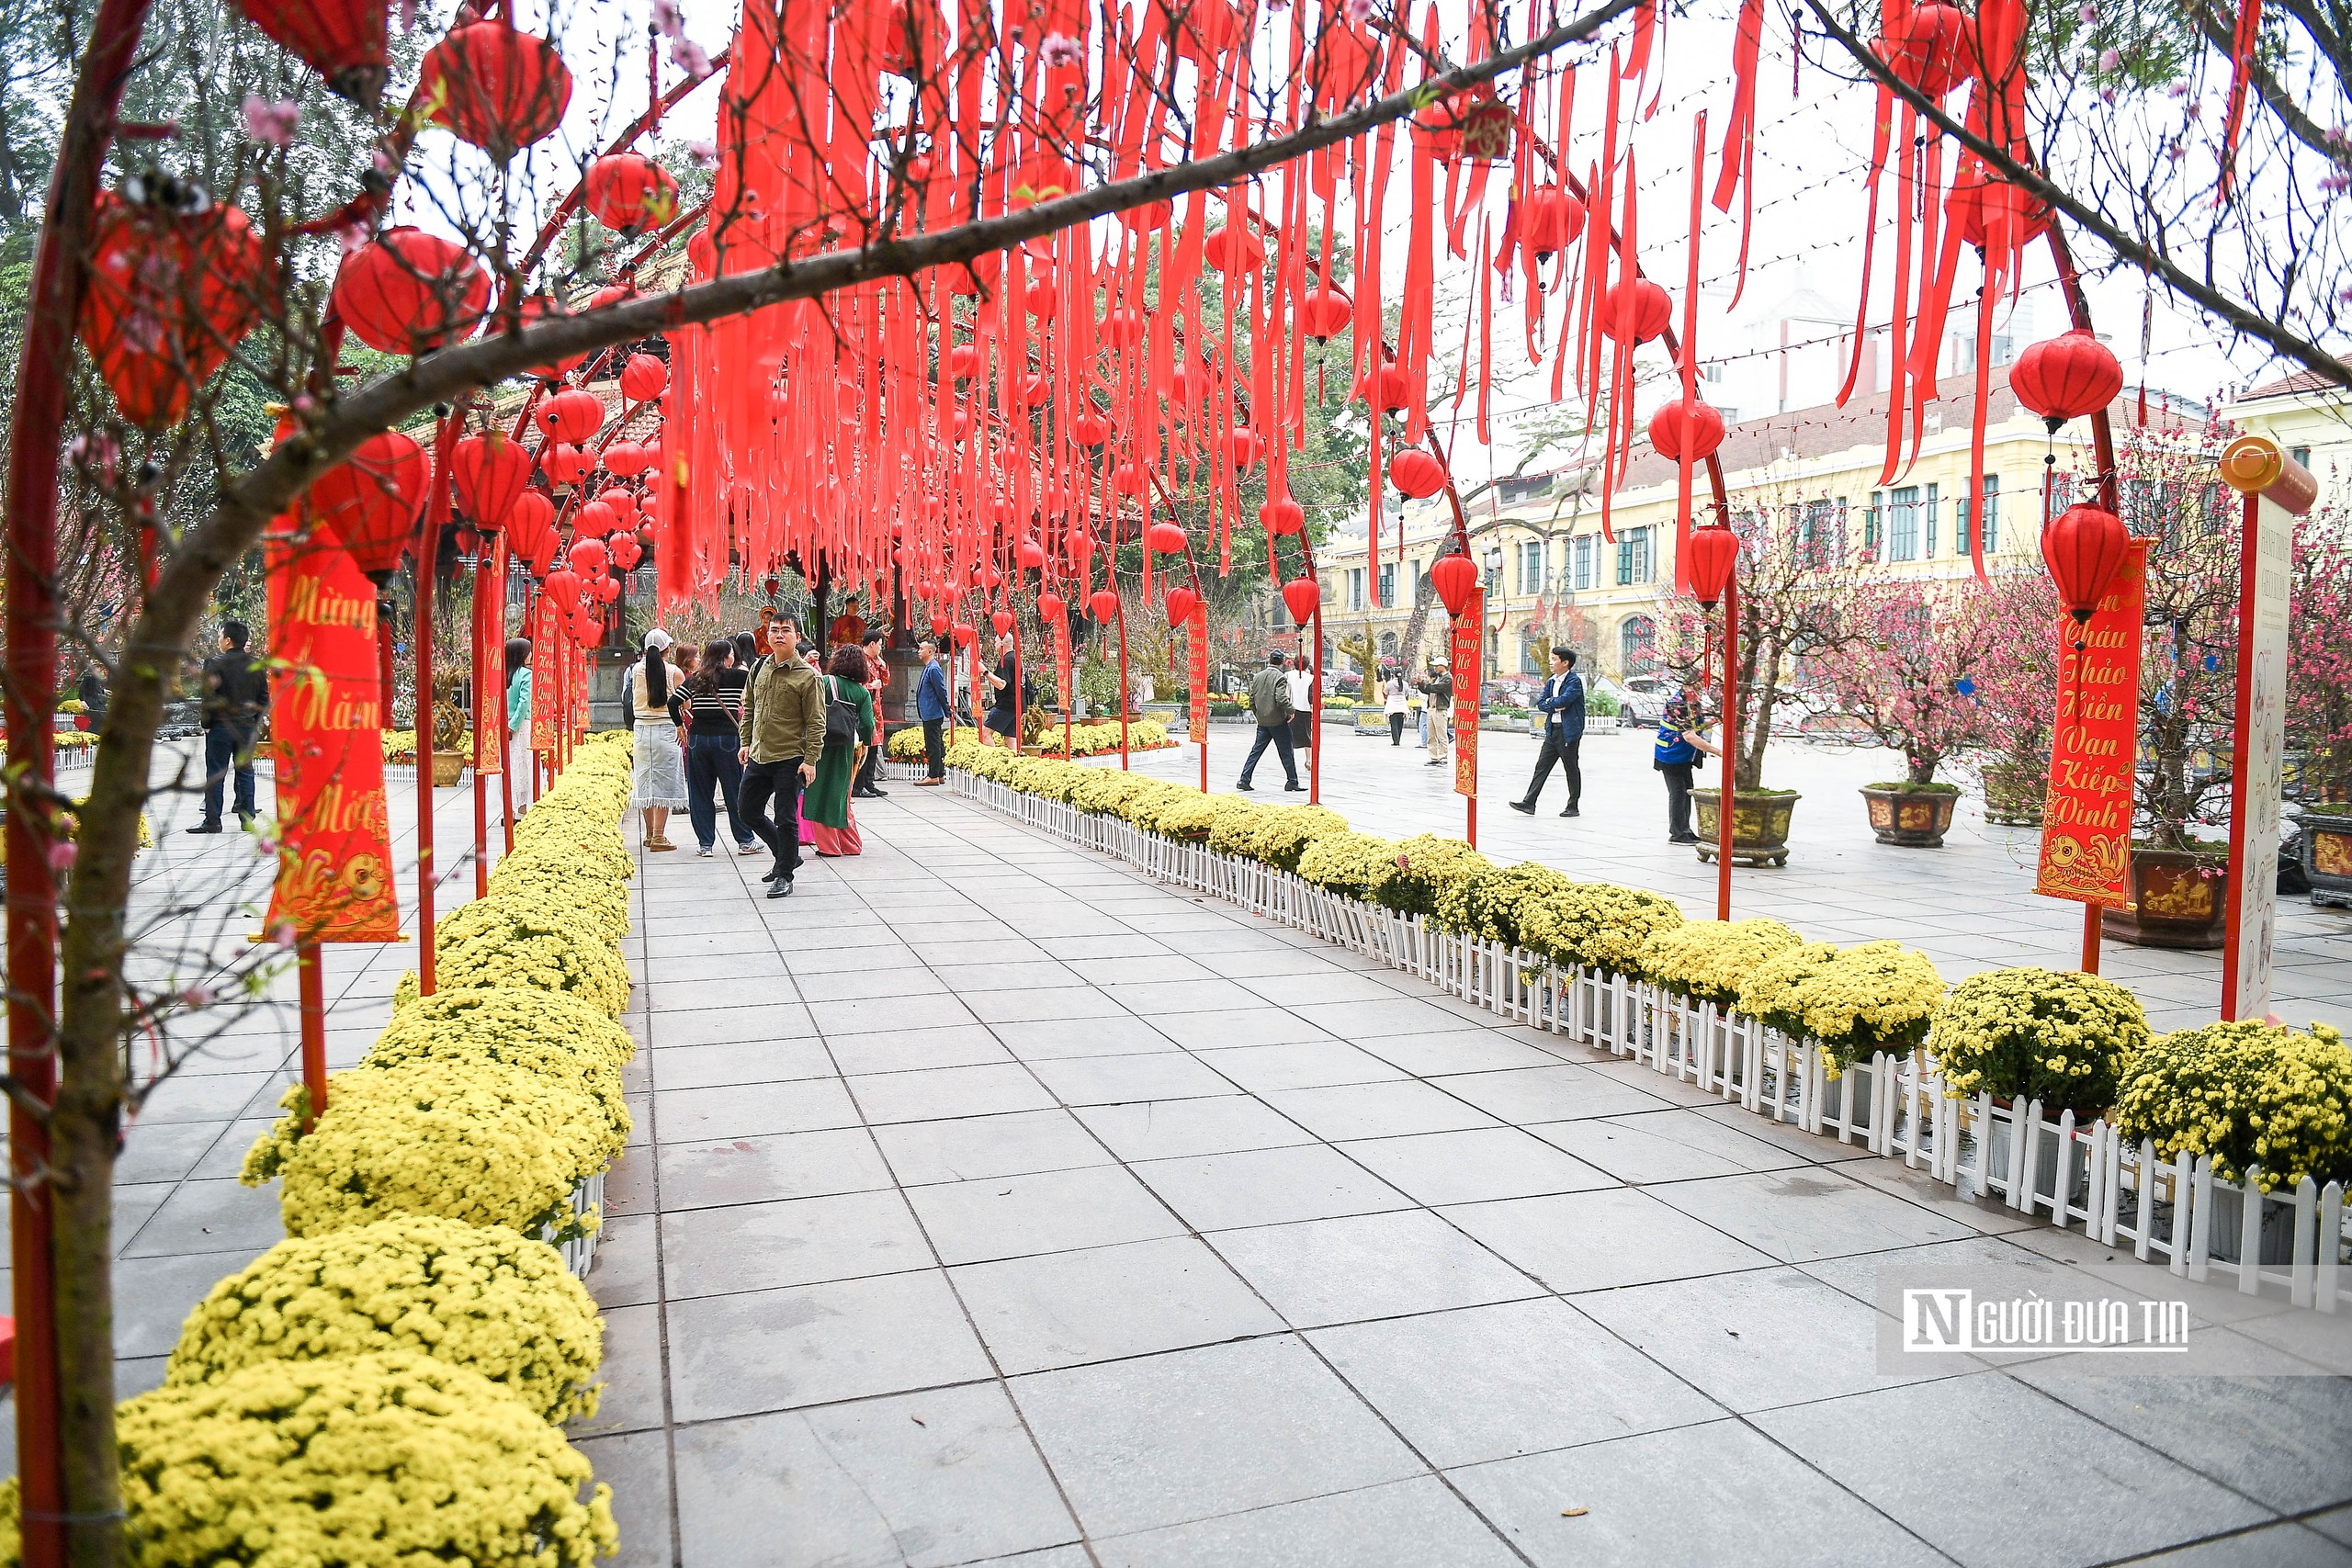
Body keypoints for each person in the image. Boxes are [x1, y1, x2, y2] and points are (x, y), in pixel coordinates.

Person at [740, 632, 827, 897]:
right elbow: (750, 708)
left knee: (786, 817)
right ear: (768, 635)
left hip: (791, 757)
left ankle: (784, 875)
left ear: (795, 636)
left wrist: (811, 759)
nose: (779, 635)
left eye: (785, 630)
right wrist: (745, 742)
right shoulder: (759, 667)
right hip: (760, 754)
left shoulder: (808, 676)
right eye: (774, 630)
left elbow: (816, 722)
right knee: (747, 810)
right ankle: (786, 855)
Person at [670, 639, 761, 858]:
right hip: (727, 739)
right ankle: (745, 841)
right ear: (725, 657)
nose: (733, 658)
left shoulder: (696, 679)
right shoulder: (738, 676)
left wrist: (679, 726)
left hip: (698, 739)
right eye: (731, 655)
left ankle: (705, 844)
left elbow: (673, 702)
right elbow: (758, 692)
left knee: (700, 792)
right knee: (734, 790)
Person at [188, 619, 267, 834]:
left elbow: (208, 697)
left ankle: (213, 820)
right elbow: (263, 699)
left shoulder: (214, 663)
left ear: (228, 640)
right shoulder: (256, 665)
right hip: (246, 727)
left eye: (221, 636)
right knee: (245, 772)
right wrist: (255, 722)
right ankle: (247, 818)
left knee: (216, 772)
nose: (219, 640)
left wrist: (206, 724)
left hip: (221, 727)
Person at [804, 644, 876, 856]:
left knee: (819, 793)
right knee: (840, 794)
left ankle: (829, 847)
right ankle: (851, 844)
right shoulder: (862, 692)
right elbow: (867, 724)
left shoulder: (825, 682)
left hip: (819, 746)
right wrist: (865, 741)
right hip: (845, 747)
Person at [628, 629, 688, 850]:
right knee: (663, 782)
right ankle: (660, 837)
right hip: (666, 728)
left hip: (642, 730)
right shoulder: (674, 672)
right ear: (667, 649)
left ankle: (650, 833)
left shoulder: (636, 670)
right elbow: (686, 704)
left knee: (645, 781)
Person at [1511, 647, 1588, 818]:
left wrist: (1553, 703)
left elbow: (1565, 700)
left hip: (1568, 732)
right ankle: (1529, 802)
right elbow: (1541, 703)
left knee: (1571, 768)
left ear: (1565, 663)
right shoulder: (1552, 681)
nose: (1551, 663)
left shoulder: (1574, 681)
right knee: (1541, 767)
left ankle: (1573, 805)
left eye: (1554, 659)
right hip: (1552, 730)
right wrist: (1555, 704)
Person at [1655, 692, 1722, 845]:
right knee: (1678, 793)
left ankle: (1685, 830)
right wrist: (1718, 752)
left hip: (1683, 756)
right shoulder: (1677, 705)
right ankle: (1677, 833)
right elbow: (1690, 736)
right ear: (1686, 687)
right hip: (1670, 755)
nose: (1699, 693)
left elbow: (1696, 726)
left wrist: (1715, 720)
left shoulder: (1694, 705)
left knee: (1687, 791)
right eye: (1696, 688)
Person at [1237, 649, 1303, 792]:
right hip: (1278, 721)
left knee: (1256, 751)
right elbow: (1281, 698)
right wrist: (1291, 710)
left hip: (1262, 721)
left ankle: (1244, 779)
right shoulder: (1280, 677)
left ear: (1269, 660)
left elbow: (1252, 700)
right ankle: (1292, 781)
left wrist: (1258, 714)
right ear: (1283, 662)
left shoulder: (1257, 676)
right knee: (1286, 752)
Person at [854, 627, 890, 800]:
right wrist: (870, 686)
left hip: (876, 708)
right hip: (864, 709)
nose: (881, 648)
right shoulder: (859, 660)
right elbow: (853, 685)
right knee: (865, 746)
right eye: (880, 645)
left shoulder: (875, 661)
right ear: (872, 644)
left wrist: (882, 665)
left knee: (874, 747)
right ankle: (858, 786)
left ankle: (869, 783)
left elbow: (885, 682)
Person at [503, 637, 535, 818]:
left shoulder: (504, 674)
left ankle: (508, 808)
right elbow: (524, 703)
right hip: (521, 726)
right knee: (522, 765)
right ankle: (521, 809)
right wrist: (513, 726)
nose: (531, 655)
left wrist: (506, 725)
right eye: (528, 651)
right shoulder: (526, 675)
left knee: (508, 764)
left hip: (504, 725)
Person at [914, 636, 951, 784]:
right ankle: (939, 774)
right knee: (936, 743)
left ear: (930, 651)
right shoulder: (930, 667)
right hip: (929, 712)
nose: (919, 651)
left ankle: (934, 775)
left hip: (932, 712)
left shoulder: (934, 668)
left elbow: (941, 691)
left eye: (922, 649)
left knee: (933, 745)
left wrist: (946, 708)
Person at [1415, 660, 1453, 767]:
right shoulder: (1437, 678)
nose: (1435, 668)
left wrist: (1423, 683)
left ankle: (1443, 757)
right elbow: (1427, 689)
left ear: (1443, 666)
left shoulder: (1447, 679)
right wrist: (1420, 683)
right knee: (1431, 735)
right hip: (1431, 708)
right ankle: (1434, 757)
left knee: (1441, 735)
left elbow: (1435, 689)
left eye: (1437, 666)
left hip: (1440, 709)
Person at [982, 637, 1019, 740]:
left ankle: (993, 757)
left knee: (985, 733)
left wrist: (985, 671)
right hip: (1018, 704)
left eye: (996, 642)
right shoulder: (1016, 657)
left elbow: (1001, 684)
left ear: (1002, 643)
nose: (994, 644)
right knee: (1010, 738)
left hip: (1006, 704)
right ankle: (1013, 756)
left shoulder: (1006, 660)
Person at [1285, 653, 1315, 757]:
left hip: (1292, 709)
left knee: (1290, 737)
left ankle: (1290, 757)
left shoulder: (1288, 675)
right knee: (1307, 735)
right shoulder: (1311, 678)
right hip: (1305, 709)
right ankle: (1309, 759)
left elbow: (1286, 693)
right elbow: (1311, 696)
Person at [1383, 670, 1409, 745]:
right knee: (1400, 724)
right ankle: (1398, 739)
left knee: (1393, 724)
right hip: (1402, 705)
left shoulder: (1390, 683)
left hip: (1392, 705)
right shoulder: (1405, 684)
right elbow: (1407, 693)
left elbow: (1386, 692)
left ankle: (1396, 741)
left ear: (1393, 675)